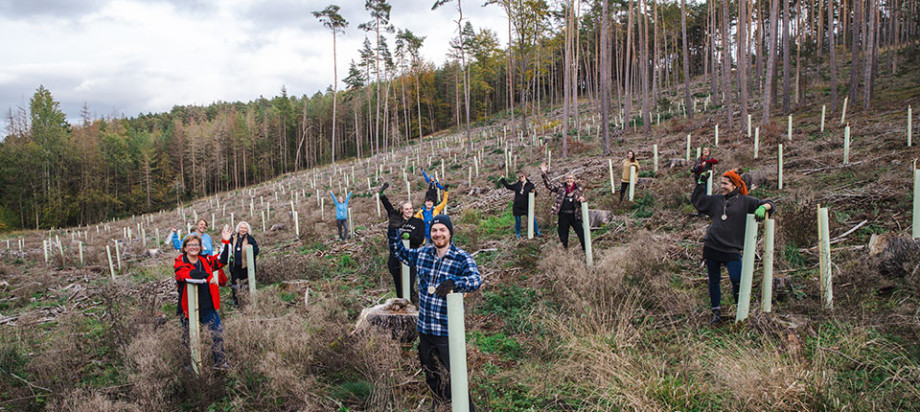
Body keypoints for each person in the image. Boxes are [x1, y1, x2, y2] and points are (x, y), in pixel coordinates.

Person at [389, 214, 481, 411]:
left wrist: (455, 282)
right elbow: (400, 254)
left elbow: (475, 280)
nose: (438, 234)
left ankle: (466, 407)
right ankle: (439, 404)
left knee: (456, 375)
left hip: (448, 331)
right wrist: (394, 231)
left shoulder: (461, 257)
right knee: (431, 373)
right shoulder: (423, 254)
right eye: (434, 231)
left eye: (442, 230)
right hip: (425, 328)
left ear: (449, 233)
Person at [692, 169, 774, 324]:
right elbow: (699, 202)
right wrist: (700, 183)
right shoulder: (716, 200)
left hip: (731, 249)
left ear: (735, 184)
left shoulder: (746, 201)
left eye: (725, 183)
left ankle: (740, 311)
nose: (722, 186)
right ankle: (716, 312)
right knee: (713, 281)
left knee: (737, 279)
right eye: (721, 183)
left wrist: (763, 208)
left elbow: (770, 203)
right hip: (712, 246)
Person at [173, 226, 232, 369]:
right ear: (185, 248)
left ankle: (219, 362)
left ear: (200, 247)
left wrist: (225, 241)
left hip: (207, 304)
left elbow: (221, 261)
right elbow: (187, 275)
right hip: (188, 307)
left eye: (196, 245)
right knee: (188, 338)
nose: (193, 247)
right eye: (190, 245)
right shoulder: (180, 262)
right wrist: (206, 277)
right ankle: (190, 366)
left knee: (217, 333)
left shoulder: (205, 260)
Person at [378, 182, 425, 304]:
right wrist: (382, 195)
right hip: (395, 259)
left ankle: (416, 306)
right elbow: (388, 207)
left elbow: (419, 240)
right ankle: (402, 313)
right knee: (400, 291)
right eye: (406, 209)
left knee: (408, 288)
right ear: (402, 210)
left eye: (410, 208)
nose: (409, 211)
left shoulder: (418, 222)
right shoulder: (396, 219)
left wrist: (407, 237)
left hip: (411, 258)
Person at [540, 163, 586, 251]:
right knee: (563, 236)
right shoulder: (561, 187)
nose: (569, 180)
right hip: (563, 215)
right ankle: (565, 253)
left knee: (582, 234)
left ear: (574, 180)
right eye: (567, 178)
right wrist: (544, 173)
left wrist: (582, 200)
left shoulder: (579, 188)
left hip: (575, 215)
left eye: (571, 178)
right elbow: (549, 185)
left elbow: (582, 200)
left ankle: (586, 252)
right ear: (565, 180)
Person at [499, 172, 543, 238]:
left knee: (532, 219)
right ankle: (518, 235)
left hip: (527, 206)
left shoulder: (530, 185)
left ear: (525, 176)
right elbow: (508, 186)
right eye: (519, 177)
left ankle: (537, 232)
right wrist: (502, 179)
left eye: (522, 176)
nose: (521, 178)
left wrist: (534, 192)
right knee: (518, 221)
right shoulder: (517, 185)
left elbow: (535, 194)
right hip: (517, 207)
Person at [228, 221, 259, 307]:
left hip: (246, 266)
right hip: (234, 266)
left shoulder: (250, 239)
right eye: (241, 227)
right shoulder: (233, 238)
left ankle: (247, 301)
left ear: (247, 230)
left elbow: (256, 250)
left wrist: (250, 250)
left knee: (246, 284)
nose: (243, 229)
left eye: (245, 228)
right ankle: (236, 301)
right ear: (238, 228)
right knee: (234, 284)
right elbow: (228, 250)